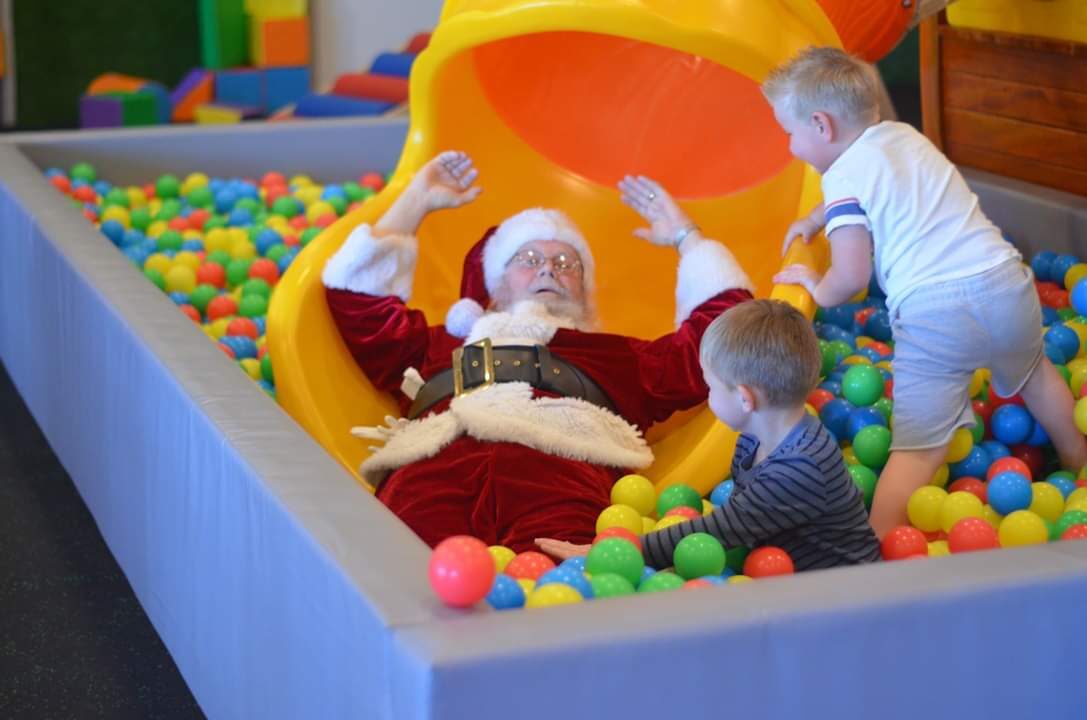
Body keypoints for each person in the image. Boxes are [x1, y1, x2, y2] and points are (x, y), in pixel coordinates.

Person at [322, 150, 755, 552]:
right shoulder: (442, 344)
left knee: (559, 591)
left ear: (586, 295)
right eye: (527, 258)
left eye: (568, 264)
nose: (549, 267)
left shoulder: (617, 356)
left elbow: (722, 339)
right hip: (432, 465)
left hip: (561, 472)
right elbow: (356, 303)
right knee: (400, 574)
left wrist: (686, 237)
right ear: (494, 288)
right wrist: (414, 202)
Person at [766, 46, 1087, 538]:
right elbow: (892, 193)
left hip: (936, 314)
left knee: (917, 449)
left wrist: (816, 286)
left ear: (821, 125)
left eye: (790, 133)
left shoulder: (842, 178)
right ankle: (1077, 463)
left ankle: (873, 550)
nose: (790, 146)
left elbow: (852, 276)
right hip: (1005, 284)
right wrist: (815, 219)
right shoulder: (905, 136)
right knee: (1038, 376)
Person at [538, 299, 880, 571]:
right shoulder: (756, 435)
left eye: (710, 385)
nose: (706, 392)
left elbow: (720, 530)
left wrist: (617, 550)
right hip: (778, 569)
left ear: (745, 398)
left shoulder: (798, 467)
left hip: (841, 594)